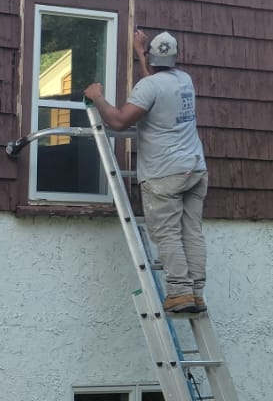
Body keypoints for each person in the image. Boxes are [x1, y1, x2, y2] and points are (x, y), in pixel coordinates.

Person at [85, 28, 208, 314]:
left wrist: (97, 97)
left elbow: (119, 121)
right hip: (195, 169)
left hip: (164, 173)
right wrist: (140, 54)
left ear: (153, 58)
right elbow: (155, 85)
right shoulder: (184, 80)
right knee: (191, 232)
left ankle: (179, 293)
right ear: (176, 57)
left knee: (168, 233)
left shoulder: (149, 87)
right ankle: (196, 293)